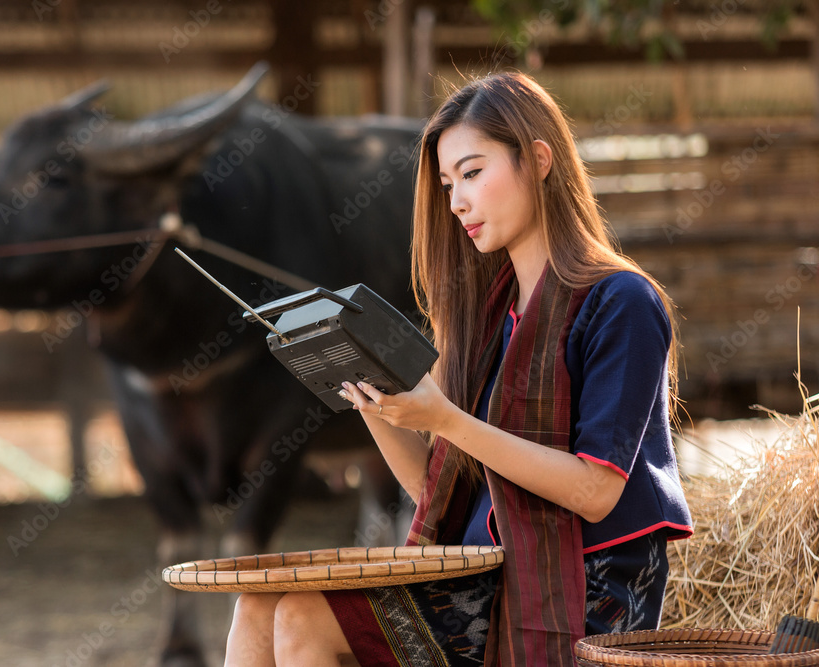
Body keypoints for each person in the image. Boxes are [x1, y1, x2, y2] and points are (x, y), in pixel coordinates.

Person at [223, 70, 693, 667]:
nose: (457, 201)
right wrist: (370, 402)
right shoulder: (488, 317)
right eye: (447, 184)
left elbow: (596, 490)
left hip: (583, 586)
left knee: (299, 616)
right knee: (257, 607)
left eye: (472, 172)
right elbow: (437, 492)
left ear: (539, 159)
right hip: (483, 575)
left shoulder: (620, 301)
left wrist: (446, 419)